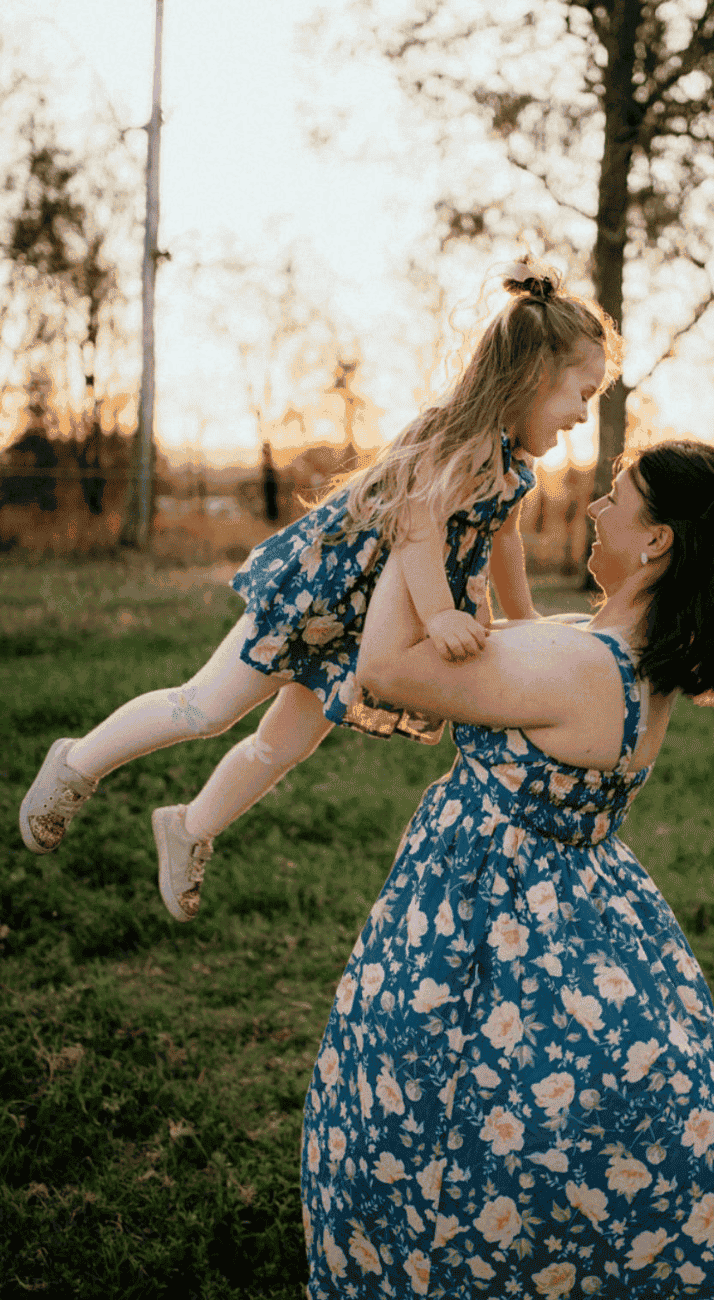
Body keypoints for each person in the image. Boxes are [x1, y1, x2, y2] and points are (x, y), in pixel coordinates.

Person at [301, 438, 714, 1300]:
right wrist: (487, 530)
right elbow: (514, 626)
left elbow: (383, 669)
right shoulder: (606, 647)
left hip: (490, 921)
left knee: (430, 1131)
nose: (596, 509)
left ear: (656, 540)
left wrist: (413, 530)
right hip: (572, 907)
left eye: (614, 497)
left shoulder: (578, 665)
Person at [19, 259, 619, 924]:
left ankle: (191, 826)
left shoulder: (514, 464)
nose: (582, 416)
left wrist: (525, 616)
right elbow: (416, 524)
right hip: (321, 595)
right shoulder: (456, 437)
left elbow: (501, 538)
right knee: (207, 707)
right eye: (582, 395)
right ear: (535, 376)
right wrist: (441, 612)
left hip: (365, 628)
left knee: (285, 745)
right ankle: (77, 762)